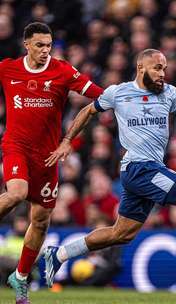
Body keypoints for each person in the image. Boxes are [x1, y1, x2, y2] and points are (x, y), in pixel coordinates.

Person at [44, 49, 176, 288]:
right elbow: (87, 110)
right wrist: (67, 140)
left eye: (165, 68)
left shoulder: (170, 94)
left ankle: (58, 255)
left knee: (121, 234)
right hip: (138, 168)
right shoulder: (118, 93)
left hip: (148, 169)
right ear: (141, 68)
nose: (163, 73)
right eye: (157, 68)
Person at [0, 22, 103, 304]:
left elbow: (97, 93)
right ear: (26, 45)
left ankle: (20, 278)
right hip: (16, 147)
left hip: (48, 155)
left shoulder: (62, 70)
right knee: (17, 193)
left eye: (49, 45)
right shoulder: (7, 68)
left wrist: (131, 96)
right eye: (40, 45)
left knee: (41, 220)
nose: (46, 50)